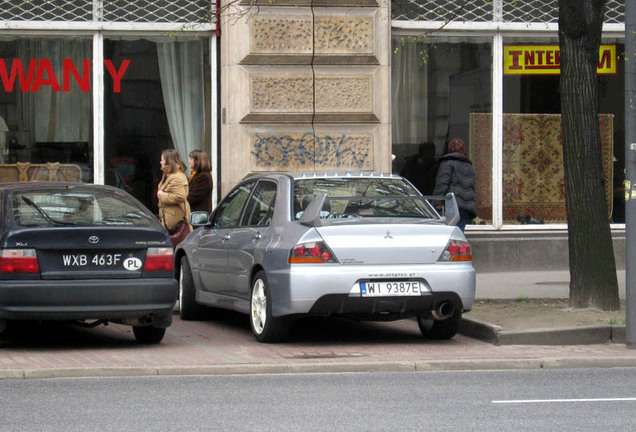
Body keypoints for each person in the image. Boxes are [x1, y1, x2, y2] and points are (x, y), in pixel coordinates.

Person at [433, 138, 477, 232]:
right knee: (459, 234)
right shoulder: (469, 166)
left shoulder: (447, 163)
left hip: (452, 207)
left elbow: (442, 184)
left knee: (449, 235)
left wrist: (437, 203)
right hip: (465, 208)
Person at [157, 149, 192, 237]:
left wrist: (162, 195)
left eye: (162, 160)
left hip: (176, 224)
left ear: (168, 161)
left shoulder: (176, 177)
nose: (160, 162)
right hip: (169, 224)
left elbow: (180, 196)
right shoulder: (168, 175)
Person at [187, 150, 213, 214]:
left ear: (197, 161)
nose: (189, 162)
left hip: (199, 215)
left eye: (191, 159)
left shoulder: (204, 177)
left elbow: (193, 197)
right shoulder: (195, 175)